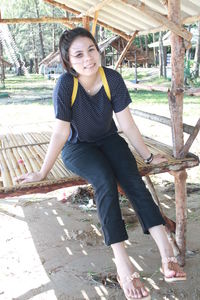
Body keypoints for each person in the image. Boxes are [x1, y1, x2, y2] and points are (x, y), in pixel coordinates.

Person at [17, 27, 186, 300]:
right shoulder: (65, 84)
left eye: (91, 50)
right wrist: (42, 172)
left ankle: (166, 252)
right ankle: (122, 262)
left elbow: (126, 123)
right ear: (68, 62)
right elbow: (61, 132)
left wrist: (147, 156)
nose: (88, 59)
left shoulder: (112, 79)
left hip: (110, 141)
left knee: (134, 182)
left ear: (99, 50)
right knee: (105, 180)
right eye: (79, 55)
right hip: (77, 148)